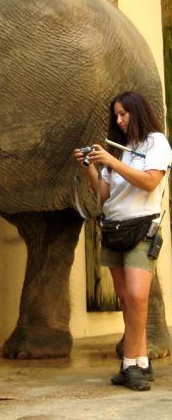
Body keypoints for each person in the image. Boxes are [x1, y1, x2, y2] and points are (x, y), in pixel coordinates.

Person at [74, 91, 172, 391]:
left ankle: (130, 363)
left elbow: (149, 181)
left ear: (137, 112)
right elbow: (103, 195)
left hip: (142, 228)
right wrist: (90, 165)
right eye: (115, 115)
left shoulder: (156, 142)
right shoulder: (119, 149)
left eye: (123, 114)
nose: (118, 120)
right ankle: (140, 362)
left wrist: (111, 163)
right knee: (127, 301)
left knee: (138, 296)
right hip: (113, 228)